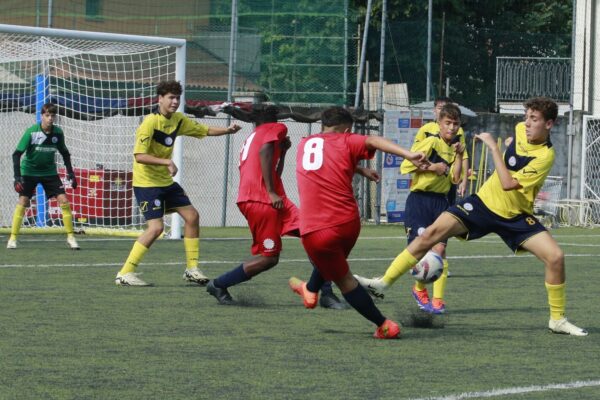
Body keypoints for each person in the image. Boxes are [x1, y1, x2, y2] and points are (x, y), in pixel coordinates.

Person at [355, 97, 588, 336]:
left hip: (515, 215)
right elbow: (514, 148)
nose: (526, 123)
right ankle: (383, 282)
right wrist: (508, 143)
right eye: (526, 117)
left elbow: (508, 183)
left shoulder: (545, 156)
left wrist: (494, 147)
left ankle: (557, 320)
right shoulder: (519, 130)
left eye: (534, 119)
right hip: (482, 204)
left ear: (549, 124)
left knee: (556, 257)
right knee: (433, 233)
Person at [288, 106, 427, 339]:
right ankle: (310, 290)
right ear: (348, 129)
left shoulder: (304, 144)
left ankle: (384, 325)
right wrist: (409, 154)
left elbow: (327, 161)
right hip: (348, 223)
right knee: (333, 262)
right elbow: (372, 140)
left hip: (316, 229)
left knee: (344, 279)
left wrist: (360, 169)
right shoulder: (347, 141)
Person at [206, 106, 347, 309]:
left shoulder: (254, 135)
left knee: (316, 236)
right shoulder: (276, 128)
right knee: (269, 259)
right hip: (262, 201)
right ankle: (219, 285)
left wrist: (284, 151)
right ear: (274, 120)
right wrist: (271, 192)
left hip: (271, 199)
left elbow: (272, 167)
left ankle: (326, 293)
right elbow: (266, 151)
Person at [115, 80, 241, 286]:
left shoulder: (178, 120)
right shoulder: (149, 123)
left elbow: (204, 130)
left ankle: (192, 269)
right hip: (147, 183)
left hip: (165, 182)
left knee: (192, 216)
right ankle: (125, 273)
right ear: (160, 99)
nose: (175, 102)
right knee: (155, 229)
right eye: (171, 98)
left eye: (177, 98)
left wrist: (227, 130)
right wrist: (167, 161)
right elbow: (139, 156)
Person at [394, 103, 464, 314]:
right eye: (447, 123)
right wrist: (433, 167)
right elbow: (405, 166)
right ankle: (419, 288)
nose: (451, 128)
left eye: (455, 124)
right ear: (439, 124)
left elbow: (454, 177)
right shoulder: (431, 141)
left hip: (441, 202)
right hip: (419, 201)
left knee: (441, 249)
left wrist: (460, 155)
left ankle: (438, 300)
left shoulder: (457, 145)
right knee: (420, 251)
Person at [8, 102, 80, 250]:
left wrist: (71, 173)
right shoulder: (31, 132)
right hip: (29, 172)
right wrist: (17, 177)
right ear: (42, 116)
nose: (50, 118)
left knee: (64, 201)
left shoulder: (58, 133)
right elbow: (16, 154)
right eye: (47, 115)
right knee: (23, 201)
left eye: (53, 115)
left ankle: (71, 237)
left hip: (49, 172)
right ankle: (13, 238)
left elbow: (65, 153)